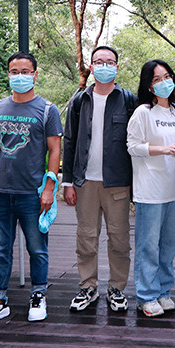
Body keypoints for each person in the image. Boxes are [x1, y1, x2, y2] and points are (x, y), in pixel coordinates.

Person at [0, 52, 62, 327]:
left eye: (25, 71)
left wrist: (49, 188)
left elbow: (55, 150)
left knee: (37, 248)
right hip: (0, 192)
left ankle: (38, 295)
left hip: (32, 192)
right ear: (8, 74)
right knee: (0, 250)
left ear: (35, 74)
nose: (19, 76)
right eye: (14, 71)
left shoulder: (47, 110)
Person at [62, 46, 137, 313]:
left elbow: (136, 141)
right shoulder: (79, 101)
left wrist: (135, 183)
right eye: (99, 61)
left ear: (117, 66)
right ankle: (88, 286)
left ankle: (117, 288)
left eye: (110, 61)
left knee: (119, 239)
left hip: (118, 182)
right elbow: (69, 141)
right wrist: (67, 182)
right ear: (91, 66)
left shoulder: (128, 100)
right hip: (85, 182)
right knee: (86, 238)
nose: (104, 66)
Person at [127, 60, 175, 317]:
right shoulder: (143, 112)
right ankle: (146, 295)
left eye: (167, 76)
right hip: (149, 189)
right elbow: (132, 146)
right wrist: (163, 149)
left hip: (174, 188)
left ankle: (164, 291)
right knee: (148, 245)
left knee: (170, 243)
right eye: (156, 79)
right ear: (149, 86)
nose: (164, 82)